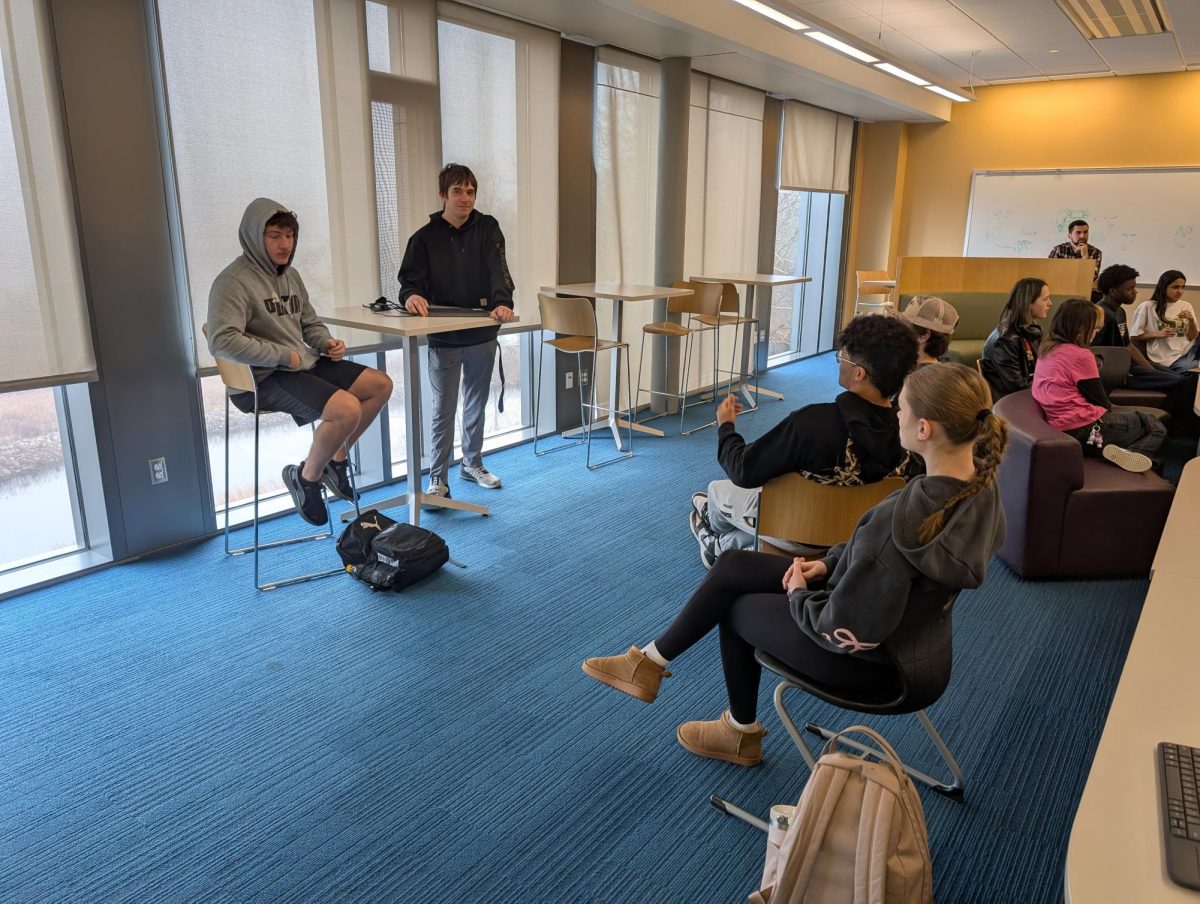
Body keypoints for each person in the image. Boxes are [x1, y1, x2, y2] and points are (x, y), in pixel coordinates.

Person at [582, 363, 1007, 767]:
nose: (895, 412)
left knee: (733, 608)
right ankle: (649, 663)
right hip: (921, 653)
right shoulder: (979, 492)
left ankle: (739, 733)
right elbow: (877, 563)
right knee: (734, 566)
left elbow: (847, 629)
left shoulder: (901, 522)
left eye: (904, 408)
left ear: (924, 429)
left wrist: (800, 593)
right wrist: (824, 566)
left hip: (870, 665)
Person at [207, 198, 393, 526]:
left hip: (299, 365)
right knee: (346, 409)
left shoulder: (290, 275)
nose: (284, 244)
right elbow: (222, 341)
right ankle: (306, 477)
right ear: (254, 236)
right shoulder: (232, 282)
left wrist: (325, 342)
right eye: (275, 235)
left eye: (289, 236)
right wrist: (281, 355)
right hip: (260, 379)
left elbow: (309, 323)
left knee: (380, 385)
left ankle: (336, 459)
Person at [688, 315, 917, 567]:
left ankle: (714, 530)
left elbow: (743, 470)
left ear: (859, 374)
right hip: (859, 537)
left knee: (717, 490)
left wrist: (726, 426)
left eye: (843, 357)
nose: (840, 362)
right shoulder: (913, 431)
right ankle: (723, 544)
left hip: (794, 529)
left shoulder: (813, 422)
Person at [399, 163, 515, 502]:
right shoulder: (423, 239)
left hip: (481, 331)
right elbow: (409, 282)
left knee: (476, 403)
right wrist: (412, 296)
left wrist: (502, 302)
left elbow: (500, 270)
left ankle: (472, 463)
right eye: (457, 192)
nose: (465, 198)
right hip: (444, 337)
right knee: (444, 408)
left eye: (470, 192)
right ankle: (438, 477)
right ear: (442, 195)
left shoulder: (488, 228)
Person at [1033, 298, 1167, 473]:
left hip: (1061, 426)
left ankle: (1117, 453)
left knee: (1137, 420)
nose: (1096, 333)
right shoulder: (1081, 355)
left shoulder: (1047, 349)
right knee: (1155, 425)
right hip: (1086, 427)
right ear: (1081, 330)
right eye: (1095, 329)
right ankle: (1134, 457)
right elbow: (1101, 402)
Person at [1091, 264, 1188, 392]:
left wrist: (1150, 369)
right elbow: (1091, 351)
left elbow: (1128, 345)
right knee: (1178, 381)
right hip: (1116, 369)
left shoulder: (1119, 311)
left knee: (1182, 377)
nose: (1135, 291)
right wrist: (1116, 373)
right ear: (1113, 291)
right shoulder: (1102, 314)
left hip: (1128, 363)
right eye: (1130, 288)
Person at [979, 277, 1052, 399]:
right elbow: (1017, 386)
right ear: (1028, 302)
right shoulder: (1006, 340)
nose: (1050, 303)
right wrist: (1053, 386)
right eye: (1045, 299)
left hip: (1028, 395)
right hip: (1010, 403)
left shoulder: (1031, 330)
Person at [1130, 270, 1200, 374]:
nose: (1180, 291)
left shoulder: (1186, 305)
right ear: (1163, 287)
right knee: (1187, 368)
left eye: (1182, 287)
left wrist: (1191, 321)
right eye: (1175, 287)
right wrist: (1157, 334)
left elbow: (1193, 337)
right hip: (1161, 357)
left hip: (1185, 353)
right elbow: (1134, 336)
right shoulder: (1148, 306)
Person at [900, 294, 959, 366]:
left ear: (924, 335)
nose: (899, 329)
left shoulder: (917, 376)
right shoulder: (941, 367)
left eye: (906, 325)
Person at [1048, 219, 1101, 297]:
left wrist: (1085, 257)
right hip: (1061, 290)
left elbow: (1090, 279)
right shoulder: (1059, 250)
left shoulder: (1095, 252)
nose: (1082, 236)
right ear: (1069, 235)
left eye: (1085, 232)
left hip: (1083, 291)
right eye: (1078, 233)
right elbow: (1050, 274)